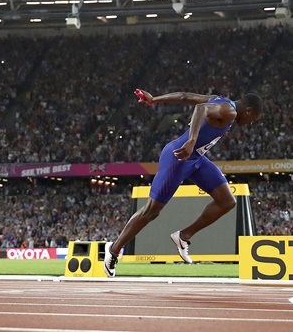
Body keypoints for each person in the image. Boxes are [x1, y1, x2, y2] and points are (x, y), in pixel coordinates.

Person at [104, 90, 263, 277]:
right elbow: (200, 109)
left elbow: (184, 96)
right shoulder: (229, 111)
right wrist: (191, 140)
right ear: (249, 111)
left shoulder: (221, 103)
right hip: (179, 157)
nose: (250, 123)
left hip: (196, 160)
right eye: (253, 119)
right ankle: (113, 250)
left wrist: (155, 99)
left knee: (227, 201)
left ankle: (183, 236)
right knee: (151, 211)